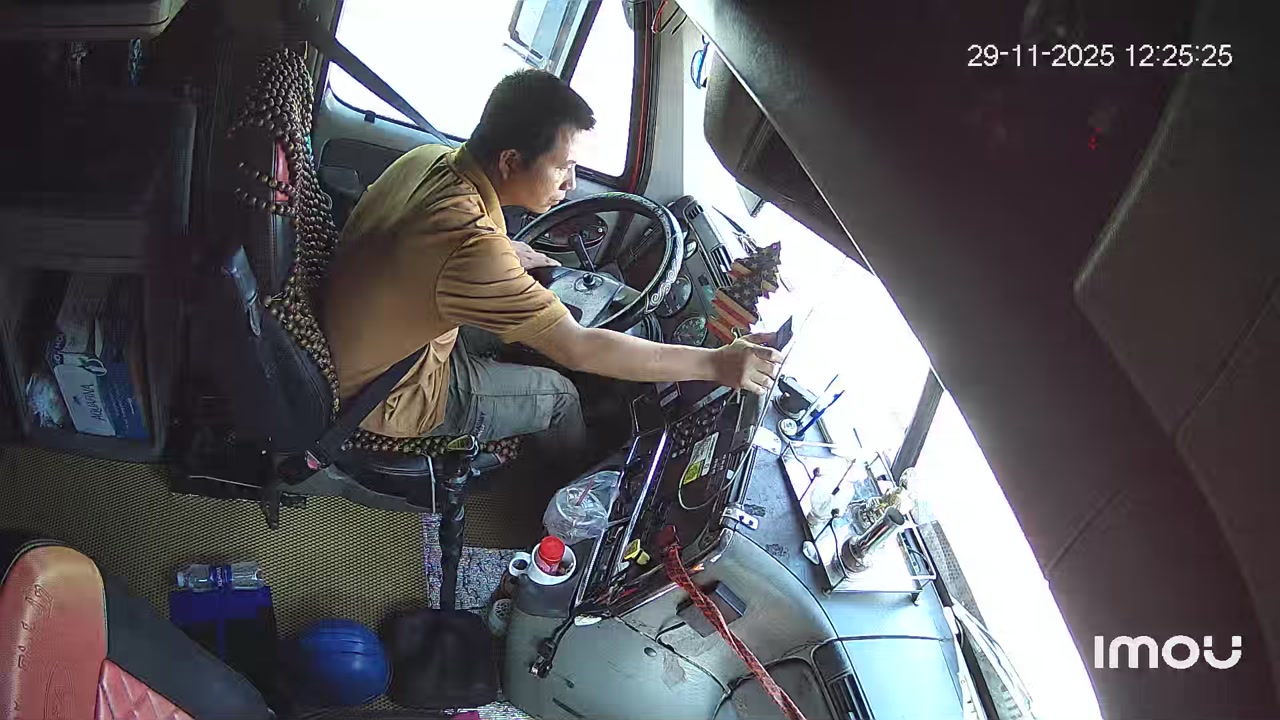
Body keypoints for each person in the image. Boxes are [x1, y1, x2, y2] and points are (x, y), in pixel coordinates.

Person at [323, 69, 780, 468]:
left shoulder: (427, 160)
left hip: (370, 336)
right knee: (560, 395)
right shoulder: (474, 249)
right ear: (510, 161)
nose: (572, 183)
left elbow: (435, 246)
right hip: (388, 390)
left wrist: (505, 251)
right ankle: (572, 482)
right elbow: (580, 348)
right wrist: (716, 363)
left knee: (519, 336)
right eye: (563, 168)